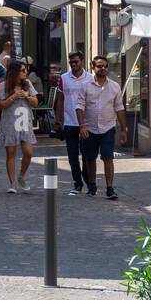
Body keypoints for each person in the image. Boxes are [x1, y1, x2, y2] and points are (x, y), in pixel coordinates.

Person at [76, 55, 126, 200]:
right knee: (90, 159)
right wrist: (82, 126)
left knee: (108, 157)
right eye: (99, 66)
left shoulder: (114, 86)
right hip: (90, 128)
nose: (103, 68)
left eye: (105, 66)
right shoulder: (85, 86)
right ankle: (92, 185)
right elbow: (79, 107)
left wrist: (124, 129)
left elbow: (120, 108)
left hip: (108, 127)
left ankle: (110, 188)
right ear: (93, 68)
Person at [0, 60, 38, 193]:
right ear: (15, 72)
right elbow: (1, 106)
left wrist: (27, 96)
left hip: (25, 120)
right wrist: (13, 97)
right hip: (10, 121)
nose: (25, 73)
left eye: (26, 70)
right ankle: (12, 183)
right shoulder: (3, 86)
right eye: (23, 70)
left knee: (28, 152)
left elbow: (35, 102)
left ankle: (21, 176)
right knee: (11, 152)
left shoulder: (28, 84)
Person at [56, 51, 93, 195]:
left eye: (76, 62)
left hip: (86, 122)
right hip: (70, 122)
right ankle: (77, 184)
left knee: (87, 156)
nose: (73, 64)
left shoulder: (90, 78)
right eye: (71, 62)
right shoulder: (64, 78)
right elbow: (60, 99)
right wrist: (58, 119)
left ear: (82, 61)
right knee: (72, 157)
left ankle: (89, 183)